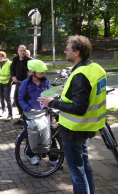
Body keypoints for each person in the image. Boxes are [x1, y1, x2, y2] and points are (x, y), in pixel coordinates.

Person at [38, 35, 106, 194]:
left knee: (76, 171)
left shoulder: (80, 74)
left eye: (67, 49)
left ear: (77, 53)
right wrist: (65, 92)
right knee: (84, 164)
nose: (64, 51)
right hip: (87, 126)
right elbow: (87, 94)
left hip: (73, 129)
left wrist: (52, 103)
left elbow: (79, 108)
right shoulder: (96, 68)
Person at [18, 59, 51, 164]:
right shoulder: (25, 84)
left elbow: (49, 94)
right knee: (32, 136)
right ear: (33, 73)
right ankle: (30, 154)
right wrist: (28, 109)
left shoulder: (46, 82)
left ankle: (53, 158)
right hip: (30, 114)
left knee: (48, 135)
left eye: (43, 72)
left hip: (43, 113)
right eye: (40, 72)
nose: (43, 74)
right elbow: (20, 99)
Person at [11, 45, 33, 125]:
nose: (22, 52)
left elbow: (34, 69)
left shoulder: (29, 60)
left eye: (23, 50)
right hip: (18, 83)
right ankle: (21, 117)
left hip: (27, 85)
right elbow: (12, 69)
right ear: (18, 52)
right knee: (17, 100)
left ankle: (26, 119)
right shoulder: (15, 60)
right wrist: (13, 76)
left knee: (26, 101)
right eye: (21, 50)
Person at [0, 51, 13, 119]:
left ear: (4, 56)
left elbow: (12, 73)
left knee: (8, 98)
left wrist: (10, 80)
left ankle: (10, 114)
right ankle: (3, 111)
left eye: (1, 56)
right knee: (1, 98)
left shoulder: (9, 63)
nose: (0, 58)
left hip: (7, 83)